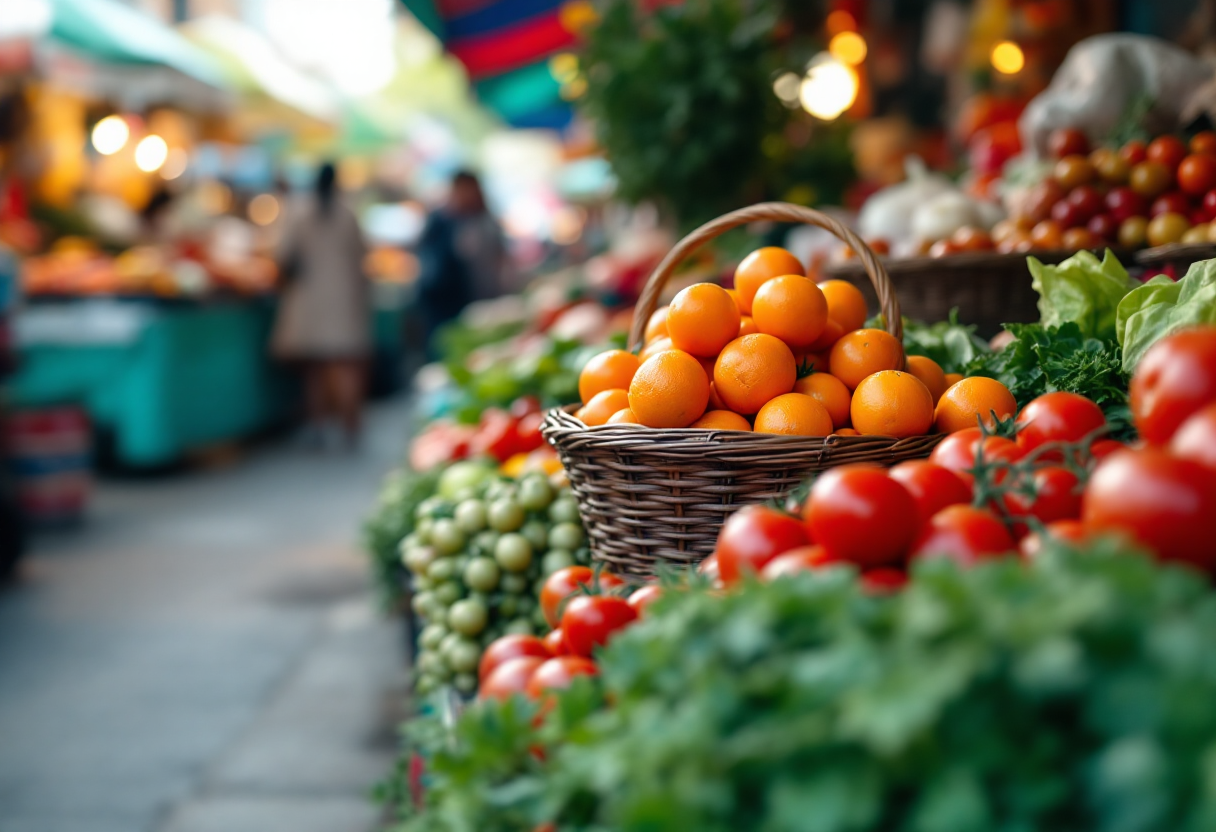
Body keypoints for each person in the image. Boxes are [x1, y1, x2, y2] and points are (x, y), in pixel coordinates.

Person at [272, 163, 370, 448]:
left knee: (314, 369)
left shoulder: (299, 212)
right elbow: (361, 257)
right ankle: (350, 424)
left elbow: (283, 257)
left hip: (309, 299)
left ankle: (319, 424)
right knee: (345, 364)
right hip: (343, 299)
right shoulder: (348, 214)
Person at [415, 170, 507, 359]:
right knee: (442, 345)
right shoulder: (440, 220)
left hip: (477, 296)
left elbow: (497, 257)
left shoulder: (485, 220)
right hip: (442, 298)